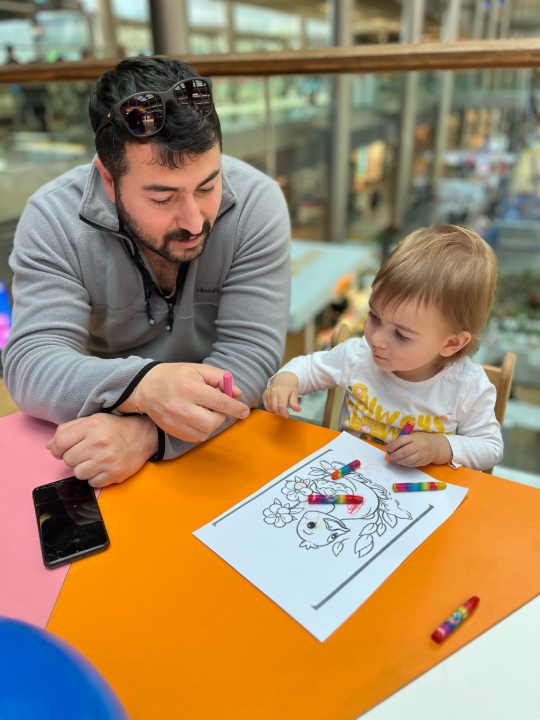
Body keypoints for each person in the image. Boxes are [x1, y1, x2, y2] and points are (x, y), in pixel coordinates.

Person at [2, 56, 291, 487]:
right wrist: (142, 386)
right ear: (107, 179)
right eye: (161, 198)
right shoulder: (53, 218)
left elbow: (251, 355)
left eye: (207, 186)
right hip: (95, 436)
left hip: (208, 444)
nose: (194, 221)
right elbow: (31, 362)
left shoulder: (256, 204)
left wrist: (149, 435)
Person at [263, 225, 503, 472]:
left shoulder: (466, 385)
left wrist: (439, 447)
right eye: (374, 316)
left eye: (401, 334)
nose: (377, 339)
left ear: (451, 343)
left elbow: (490, 447)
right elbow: (308, 368)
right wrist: (286, 382)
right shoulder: (358, 356)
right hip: (345, 476)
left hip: (418, 489)